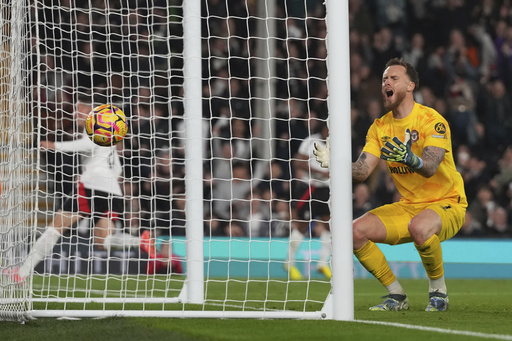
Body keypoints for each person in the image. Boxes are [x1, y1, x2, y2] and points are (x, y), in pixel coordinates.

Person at [314, 58, 467, 312]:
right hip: (409, 207)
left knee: (420, 227)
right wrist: (336, 164)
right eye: (385, 78)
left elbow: (429, 167)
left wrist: (410, 158)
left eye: (394, 78)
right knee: (353, 233)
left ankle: (438, 291)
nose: (387, 82)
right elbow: (362, 171)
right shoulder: (380, 127)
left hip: (447, 203)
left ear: (410, 85)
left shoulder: (432, 120)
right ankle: (397, 295)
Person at [5, 95, 154, 283]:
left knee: (54, 230)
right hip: (113, 191)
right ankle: (139, 241)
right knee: (103, 243)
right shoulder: (109, 135)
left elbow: (87, 144)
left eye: (80, 109)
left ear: (91, 112)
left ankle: (22, 273)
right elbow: (117, 168)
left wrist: (54, 145)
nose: (76, 113)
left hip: (92, 187)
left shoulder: (96, 128)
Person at [285, 122, 331, 280]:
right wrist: (321, 173)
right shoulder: (312, 141)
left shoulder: (337, 143)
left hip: (325, 189)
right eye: (328, 128)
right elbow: (298, 162)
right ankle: (289, 262)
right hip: (308, 187)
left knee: (329, 224)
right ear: (323, 128)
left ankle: (323, 263)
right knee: (303, 225)